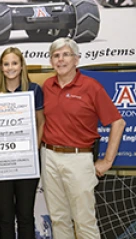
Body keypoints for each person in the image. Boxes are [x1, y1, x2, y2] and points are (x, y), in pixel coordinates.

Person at [41, 37, 126, 239]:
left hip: (79, 159)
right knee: (58, 220)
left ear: (77, 60)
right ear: (51, 61)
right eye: (56, 56)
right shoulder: (47, 86)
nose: (61, 60)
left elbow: (118, 122)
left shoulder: (91, 87)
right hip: (49, 157)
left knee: (84, 222)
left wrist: (107, 161)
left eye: (66, 55)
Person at [0, 47, 44, 239]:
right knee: (5, 216)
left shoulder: (34, 90)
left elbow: (41, 122)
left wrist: (34, 150)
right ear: (1, 67)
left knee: (25, 216)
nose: (10, 68)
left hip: (27, 162)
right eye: (6, 64)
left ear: (21, 66)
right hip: (0, 162)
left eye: (14, 63)